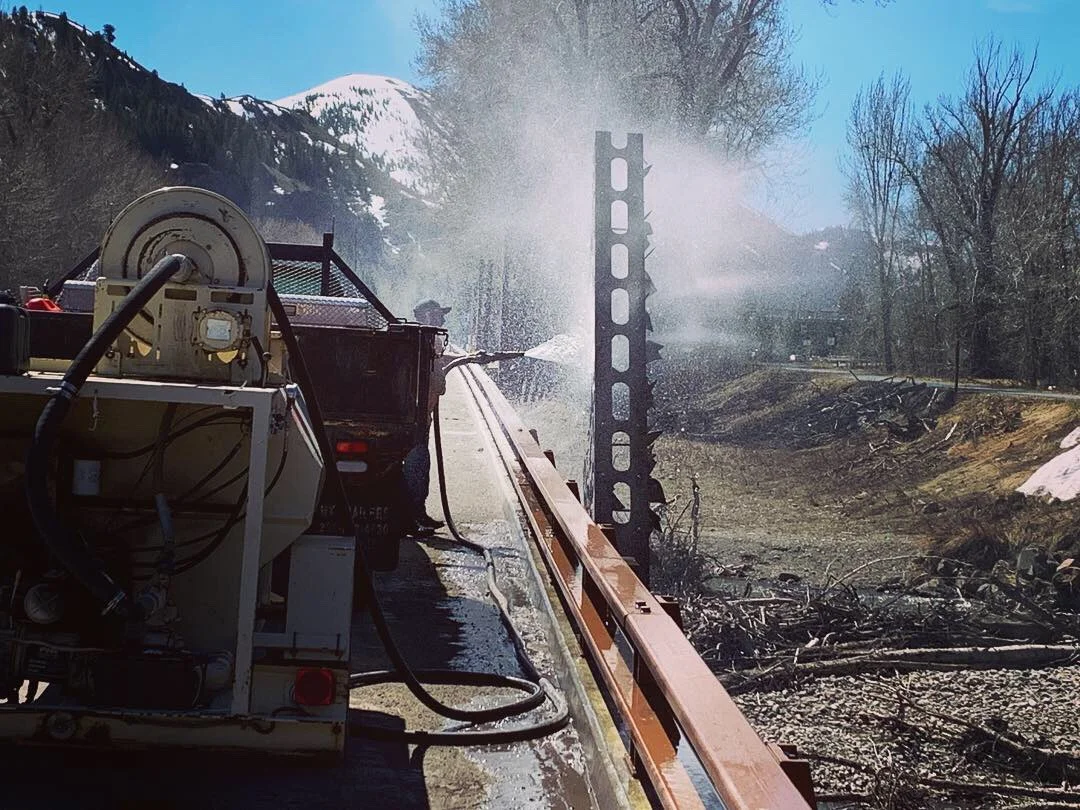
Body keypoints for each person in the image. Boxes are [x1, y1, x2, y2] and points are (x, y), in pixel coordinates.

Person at [403, 299, 459, 534]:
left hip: (422, 418)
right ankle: (409, 520)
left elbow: (438, 363)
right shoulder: (414, 342)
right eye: (438, 314)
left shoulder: (429, 341)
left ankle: (419, 514)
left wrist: (472, 357)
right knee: (415, 468)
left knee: (421, 467)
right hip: (413, 420)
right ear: (425, 315)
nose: (442, 319)